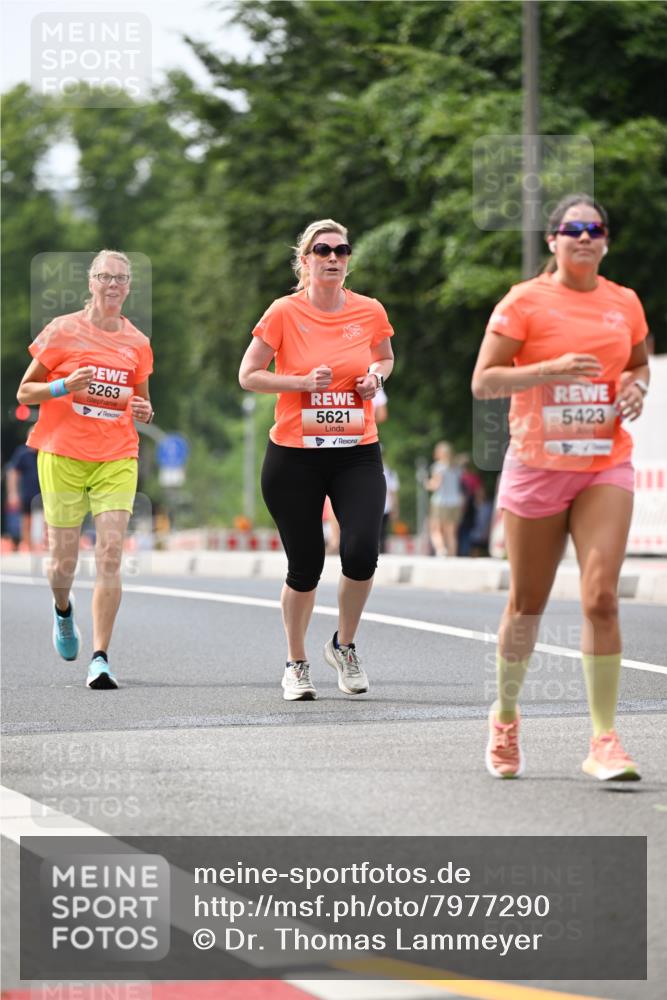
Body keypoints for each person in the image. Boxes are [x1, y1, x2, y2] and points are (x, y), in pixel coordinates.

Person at [472, 193, 650, 781]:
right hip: (537, 465)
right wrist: (547, 370)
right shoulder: (524, 301)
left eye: (594, 228)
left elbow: (638, 362)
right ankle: (505, 716)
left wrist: (635, 387)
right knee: (527, 606)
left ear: (605, 240)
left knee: (601, 597)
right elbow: (485, 381)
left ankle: (604, 739)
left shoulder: (623, 302)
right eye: (572, 228)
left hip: (604, 461)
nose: (584, 236)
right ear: (552, 240)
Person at [239, 219, 395, 701]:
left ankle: (344, 645)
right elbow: (249, 375)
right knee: (304, 565)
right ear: (304, 260)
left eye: (341, 250)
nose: (332, 257)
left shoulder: (369, 311)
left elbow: (385, 358)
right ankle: (296, 661)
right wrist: (301, 383)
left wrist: (375, 377)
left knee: (362, 550)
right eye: (322, 250)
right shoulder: (284, 312)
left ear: (348, 259)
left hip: (356, 452)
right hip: (294, 456)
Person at [17, 250, 154, 690]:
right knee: (63, 563)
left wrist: (144, 409)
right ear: (91, 283)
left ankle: (100, 658)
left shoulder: (137, 343)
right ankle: (62, 610)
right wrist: (62, 385)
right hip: (62, 454)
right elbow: (26, 391)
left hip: (116, 455)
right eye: (105, 277)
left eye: (121, 278)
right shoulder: (62, 330)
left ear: (129, 287)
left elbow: (141, 401)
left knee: (111, 553)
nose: (113, 285)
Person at [425, 441, 463, 556]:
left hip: (440, 502)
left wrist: (426, 483)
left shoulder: (438, 467)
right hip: (455, 502)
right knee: (451, 533)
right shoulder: (456, 467)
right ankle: (452, 555)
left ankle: (441, 550)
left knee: (435, 529)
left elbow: (436, 485)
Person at [5, 437, 41, 550]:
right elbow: (13, 473)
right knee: (26, 521)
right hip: (28, 493)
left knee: (48, 520)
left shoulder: (45, 452)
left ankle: (44, 546)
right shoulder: (22, 453)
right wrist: (13, 493)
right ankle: (29, 546)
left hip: (44, 493)